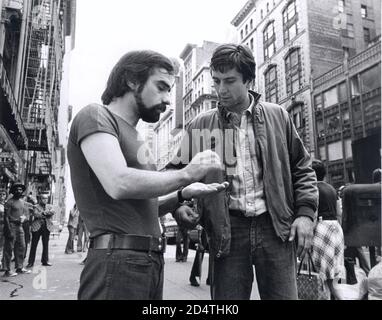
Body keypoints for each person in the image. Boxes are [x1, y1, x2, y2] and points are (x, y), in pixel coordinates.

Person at [67, 50, 228, 300]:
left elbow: (141, 207)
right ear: (132, 80)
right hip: (117, 262)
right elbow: (118, 182)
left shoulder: (137, 137)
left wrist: (181, 196)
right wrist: (187, 174)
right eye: (161, 87)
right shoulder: (96, 115)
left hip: (148, 262)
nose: (167, 99)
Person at [169, 44, 318, 300]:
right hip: (228, 231)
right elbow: (172, 172)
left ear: (249, 80)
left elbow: (302, 168)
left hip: (275, 228)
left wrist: (305, 215)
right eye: (216, 81)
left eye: (229, 81)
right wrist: (178, 203)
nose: (221, 89)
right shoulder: (200, 125)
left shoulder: (278, 116)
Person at [310, 159, 346, 299]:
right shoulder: (331, 189)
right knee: (336, 268)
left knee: (321, 271)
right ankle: (340, 295)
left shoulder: (313, 189)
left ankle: (326, 296)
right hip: (336, 228)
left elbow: (313, 214)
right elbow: (339, 212)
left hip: (321, 228)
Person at [2, 182, 31, 276]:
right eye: (17, 189)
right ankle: (7, 270)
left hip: (20, 226)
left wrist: (24, 218)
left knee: (22, 246)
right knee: (8, 248)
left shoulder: (22, 202)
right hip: (11, 225)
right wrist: (8, 229)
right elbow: (6, 217)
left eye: (20, 189)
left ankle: (19, 267)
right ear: (13, 191)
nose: (19, 191)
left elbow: (26, 214)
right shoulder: (9, 202)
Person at [26, 193, 55, 268]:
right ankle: (31, 262)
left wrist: (43, 213)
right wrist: (46, 214)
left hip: (47, 227)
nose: (45, 200)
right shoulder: (35, 206)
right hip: (37, 227)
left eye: (46, 199)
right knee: (34, 245)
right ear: (40, 199)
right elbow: (36, 214)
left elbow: (52, 212)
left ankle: (45, 261)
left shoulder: (50, 206)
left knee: (45, 245)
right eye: (43, 199)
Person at [0, 189, 7, 271]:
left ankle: (2, 263)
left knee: (4, 245)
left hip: (5, 227)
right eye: (0, 194)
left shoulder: (6, 204)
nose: (2, 196)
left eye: (3, 194)